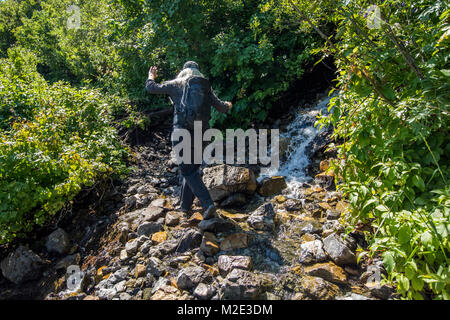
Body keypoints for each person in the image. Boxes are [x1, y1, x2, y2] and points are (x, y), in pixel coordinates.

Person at [145, 61, 232, 219]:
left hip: (182, 132)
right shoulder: (206, 88)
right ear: (198, 73)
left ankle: (208, 204)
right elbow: (222, 108)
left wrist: (151, 76)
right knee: (192, 170)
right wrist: (228, 104)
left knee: (187, 170)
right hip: (203, 134)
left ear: (183, 71)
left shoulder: (176, 84)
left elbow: (151, 88)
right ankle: (185, 207)